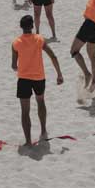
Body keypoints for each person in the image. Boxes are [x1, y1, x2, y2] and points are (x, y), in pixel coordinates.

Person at [11, 15, 63, 146]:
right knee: (40, 102)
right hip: (39, 77)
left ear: (21, 27)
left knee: (25, 111)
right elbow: (53, 56)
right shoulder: (40, 39)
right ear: (32, 26)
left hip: (23, 79)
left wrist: (21, 65)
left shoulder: (16, 43)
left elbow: (14, 65)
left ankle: (28, 141)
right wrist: (59, 74)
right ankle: (43, 130)